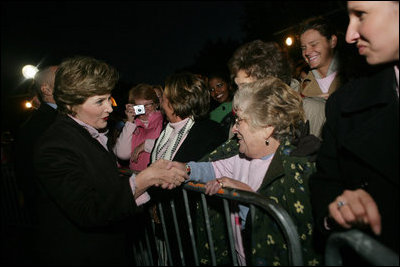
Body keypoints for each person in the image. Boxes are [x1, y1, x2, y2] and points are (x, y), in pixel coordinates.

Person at [31, 56, 188, 265]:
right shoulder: (54, 146)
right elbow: (88, 209)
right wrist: (143, 180)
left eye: (108, 98)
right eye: (99, 101)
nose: (110, 108)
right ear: (71, 104)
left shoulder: (86, 134)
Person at [177, 77, 322, 265]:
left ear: (266, 129)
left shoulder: (294, 170)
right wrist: (182, 169)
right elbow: (211, 168)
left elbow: (287, 238)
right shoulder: (239, 156)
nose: (234, 128)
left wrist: (247, 197)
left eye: (240, 121)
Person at [309, 1, 399, 262]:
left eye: (361, 15)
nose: (350, 35)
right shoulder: (344, 105)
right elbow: (326, 183)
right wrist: (339, 210)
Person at [201, 40, 321, 162]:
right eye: (238, 87)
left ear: (269, 83)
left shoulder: (311, 111)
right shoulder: (238, 121)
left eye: (245, 86)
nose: (239, 94)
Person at [14, 65, 58, 226]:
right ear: (46, 90)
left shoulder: (63, 117)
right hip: (53, 208)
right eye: (63, 79)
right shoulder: (40, 124)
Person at [113, 83, 163, 172]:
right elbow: (122, 154)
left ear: (156, 104)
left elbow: (169, 147)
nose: (145, 109)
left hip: (157, 177)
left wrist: (145, 145)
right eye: (140, 106)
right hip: (136, 178)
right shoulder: (132, 126)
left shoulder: (164, 121)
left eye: (148, 104)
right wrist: (130, 121)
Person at [207, 70, 236, 139]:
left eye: (219, 85)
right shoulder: (211, 116)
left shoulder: (242, 102)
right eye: (211, 90)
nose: (216, 92)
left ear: (229, 85)